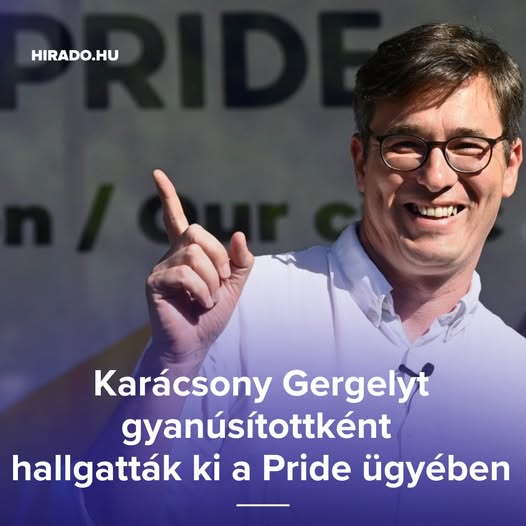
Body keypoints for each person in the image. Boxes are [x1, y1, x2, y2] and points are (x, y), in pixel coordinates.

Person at [75, 22, 526, 526]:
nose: (436, 176)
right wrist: (173, 363)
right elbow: (112, 513)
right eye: (406, 143)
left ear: (510, 165)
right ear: (361, 163)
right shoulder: (240, 311)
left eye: (468, 146)